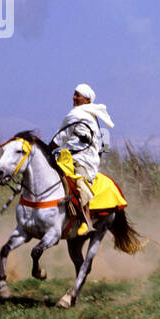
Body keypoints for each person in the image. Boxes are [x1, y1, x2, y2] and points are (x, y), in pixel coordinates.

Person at [50, 83, 113, 227]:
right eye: (74, 94)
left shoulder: (77, 115)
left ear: (87, 100)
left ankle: (86, 218)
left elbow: (60, 138)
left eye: (77, 95)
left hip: (83, 161)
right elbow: (104, 149)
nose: (74, 97)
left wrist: (48, 149)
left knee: (80, 183)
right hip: (69, 157)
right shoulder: (86, 117)